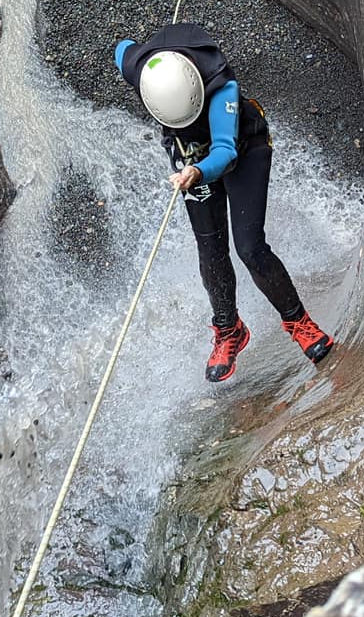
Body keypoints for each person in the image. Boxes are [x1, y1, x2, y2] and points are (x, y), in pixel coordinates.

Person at [115, 23, 336, 382]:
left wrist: (198, 173)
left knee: (250, 247)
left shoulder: (222, 90)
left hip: (243, 150)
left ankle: (299, 322)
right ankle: (230, 330)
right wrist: (151, 49)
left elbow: (224, 150)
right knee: (211, 250)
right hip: (190, 158)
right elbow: (122, 48)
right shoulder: (141, 72)